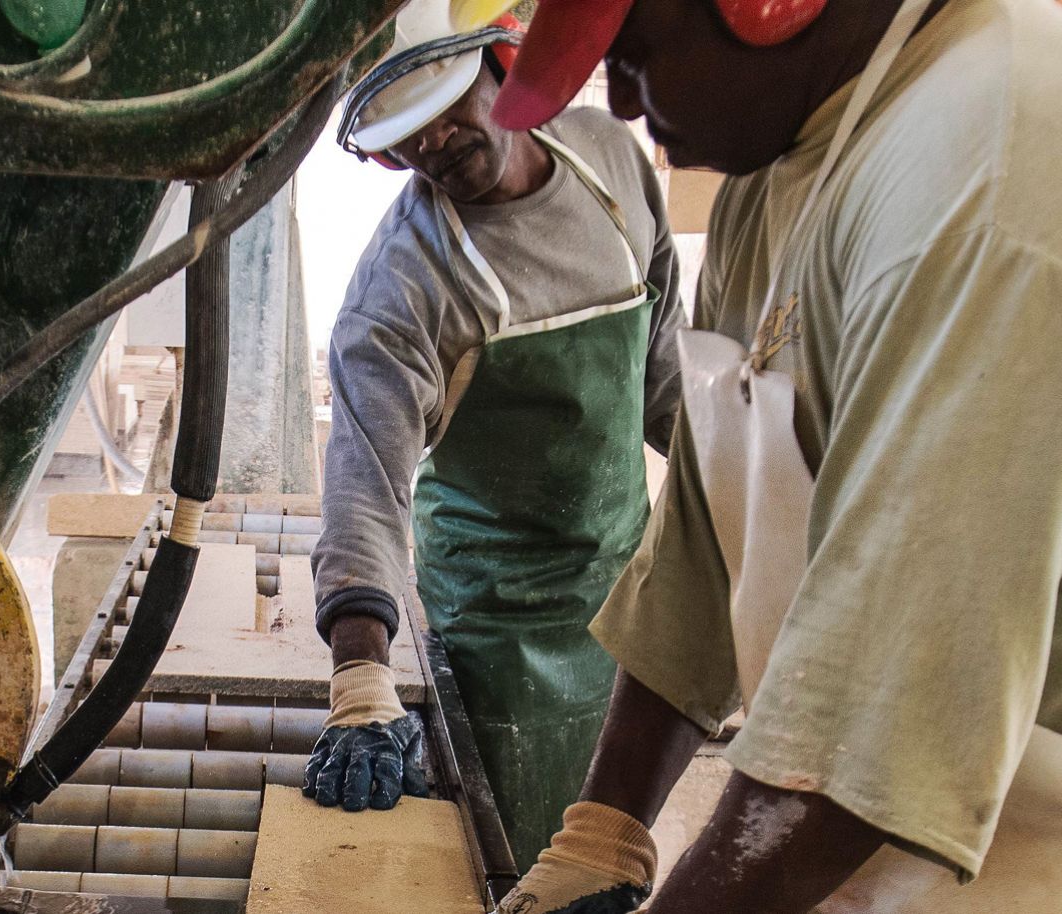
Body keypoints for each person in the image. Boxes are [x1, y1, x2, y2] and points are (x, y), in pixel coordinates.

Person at [446, 0, 1062, 912]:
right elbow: (707, 545)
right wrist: (603, 830)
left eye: (636, 56)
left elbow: (886, 709)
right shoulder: (786, 162)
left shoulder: (995, 177)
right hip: (933, 812)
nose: (629, 106)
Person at [302, 0, 684, 869]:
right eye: (405, 137)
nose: (431, 145)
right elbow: (366, 484)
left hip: (625, 601)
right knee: (513, 866)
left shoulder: (612, 160)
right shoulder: (402, 287)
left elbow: (664, 384)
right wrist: (362, 678)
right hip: (497, 635)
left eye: (442, 109)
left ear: (497, 67)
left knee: (612, 855)